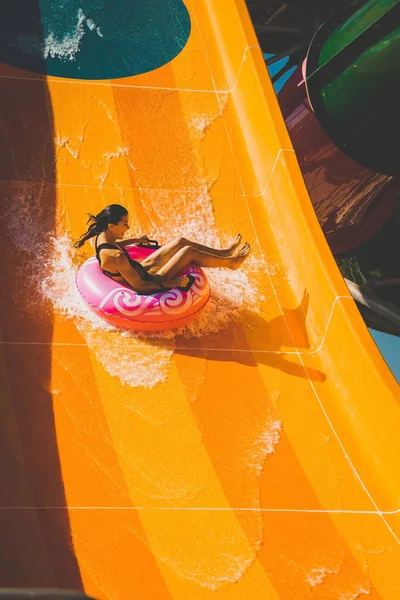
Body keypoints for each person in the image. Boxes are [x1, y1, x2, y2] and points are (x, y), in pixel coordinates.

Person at [74, 204, 250, 294]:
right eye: (124, 224)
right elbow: (140, 287)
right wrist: (171, 283)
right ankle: (230, 263)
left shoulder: (102, 237)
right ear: (112, 225)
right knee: (188, 252)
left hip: (139, 268)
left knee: (180, 241)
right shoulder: (117, 257)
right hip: (148, 278)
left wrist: (135, 240)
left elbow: (114, 245)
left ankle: (224, 252)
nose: (127, 227)